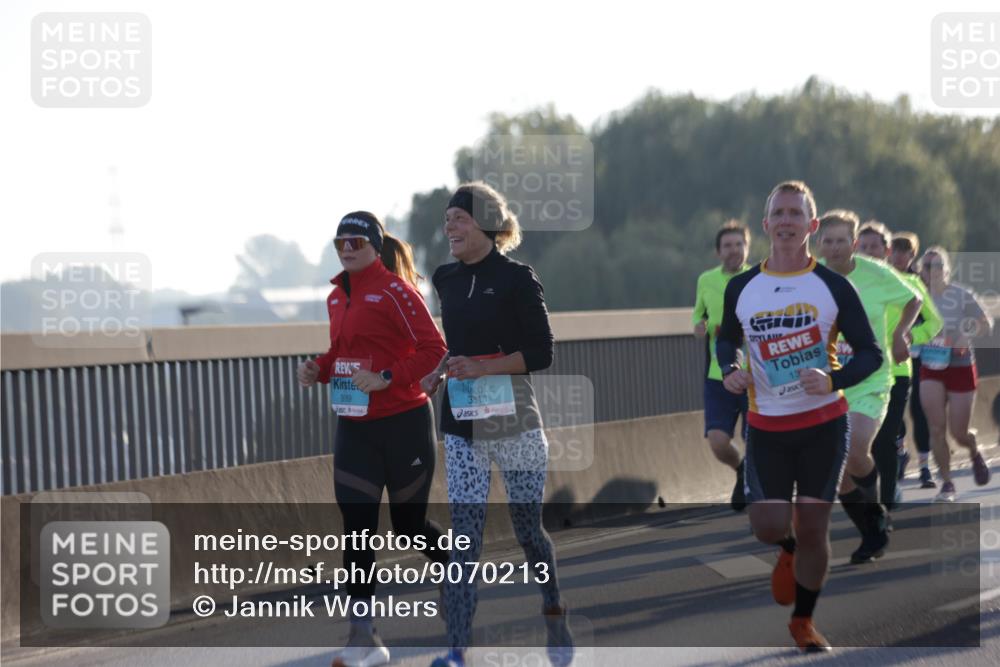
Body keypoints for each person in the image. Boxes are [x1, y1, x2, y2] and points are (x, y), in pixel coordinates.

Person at [718, 180, 882, 652]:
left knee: (814, 527)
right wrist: (731, 370)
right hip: (767, 426)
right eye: (779, 213)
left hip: (823, 425)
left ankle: (803, 622)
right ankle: (785, 550)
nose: (786, 221)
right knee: (768, 526)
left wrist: (833, 379)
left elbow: (870, 354)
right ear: (766, 224)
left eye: (795, 214)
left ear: (811, 225)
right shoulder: (742, 287)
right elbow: (726, 339)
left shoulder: (833, 286)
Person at [423, 182, 571, 667]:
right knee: (465, 537)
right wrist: (440, 370)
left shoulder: (517, 278)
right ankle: (457, 649)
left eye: (459, 218)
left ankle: (552, 599)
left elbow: (542, 352)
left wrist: (484, 368)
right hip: (462, 425)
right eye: (447, 219)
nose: (450, 226)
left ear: (486, 223)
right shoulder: (444, 278)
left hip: (516, 423)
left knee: (528, 530)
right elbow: (460, 342)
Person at [297, 211, 450, 667]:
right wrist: (319, 369)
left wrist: (386, 377)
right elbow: (343, 355)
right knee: (357, 527)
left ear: (375, 247)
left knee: (408, 527)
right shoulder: (335, 297)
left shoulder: (397, 291)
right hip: (355, 427)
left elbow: (435, 351)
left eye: (356, 242)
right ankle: (364, 637)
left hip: (404, 425)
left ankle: (455, 572)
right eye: (340, 243)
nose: (346, 249)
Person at [816, 212, 921, 563]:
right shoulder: (811, 278)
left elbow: (914, 300)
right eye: (828, 241)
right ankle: (871, 527)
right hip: (829, 381)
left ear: (854, 243)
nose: (835, 248)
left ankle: (874, 507)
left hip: (871, 377)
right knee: (837, 468)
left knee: (855, 446)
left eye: (842, 241)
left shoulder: (875, 272)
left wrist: (900, 333)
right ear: (819, 244)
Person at [856, 222, 942, 507]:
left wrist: (908, 336)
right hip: (857, 372)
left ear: (887, 250)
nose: (869, 251)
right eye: (864, 246)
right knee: (857, 443)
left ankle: (887, 498)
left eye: (875, 246)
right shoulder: (848, 281)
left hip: (896, 371)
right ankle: (868, 494)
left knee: (884, 440)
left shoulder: (909, 283)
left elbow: (934, 323)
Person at [917, 247, 994, 501]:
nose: (933, 270)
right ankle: (947, 483)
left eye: (938, 265)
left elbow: (985, 322)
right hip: (931, 366)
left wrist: (965, 334)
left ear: (947, 269)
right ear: (921, 271)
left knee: (959, 433)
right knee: (936, 428)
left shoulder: (961, 294)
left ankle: (974, 451)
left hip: (960, 365)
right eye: (928, 266)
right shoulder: (915, 296)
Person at [692, 220, 752, 511]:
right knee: (717, 441)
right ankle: (742, 469)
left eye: (739, 244)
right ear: (718, 252)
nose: (734, 250)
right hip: (718, 374)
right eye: (727, 246)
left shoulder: (759, 277)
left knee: (757, 439)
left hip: (754, 374)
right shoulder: (706, 280)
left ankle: (755, 487)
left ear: (747, 248)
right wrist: (699, 325)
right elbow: (699, 313)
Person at [889, 232, 938, 488]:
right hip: (888, 360)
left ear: (912, 256)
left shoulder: (917, 283)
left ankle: (925, 468)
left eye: (904, 252)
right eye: (895, 250)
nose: (899, 256)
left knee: (919, 411)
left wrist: (910, 336)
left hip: (916, 357)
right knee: (893, 414)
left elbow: (933, 321)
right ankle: (900, 451)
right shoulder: (881, 278)